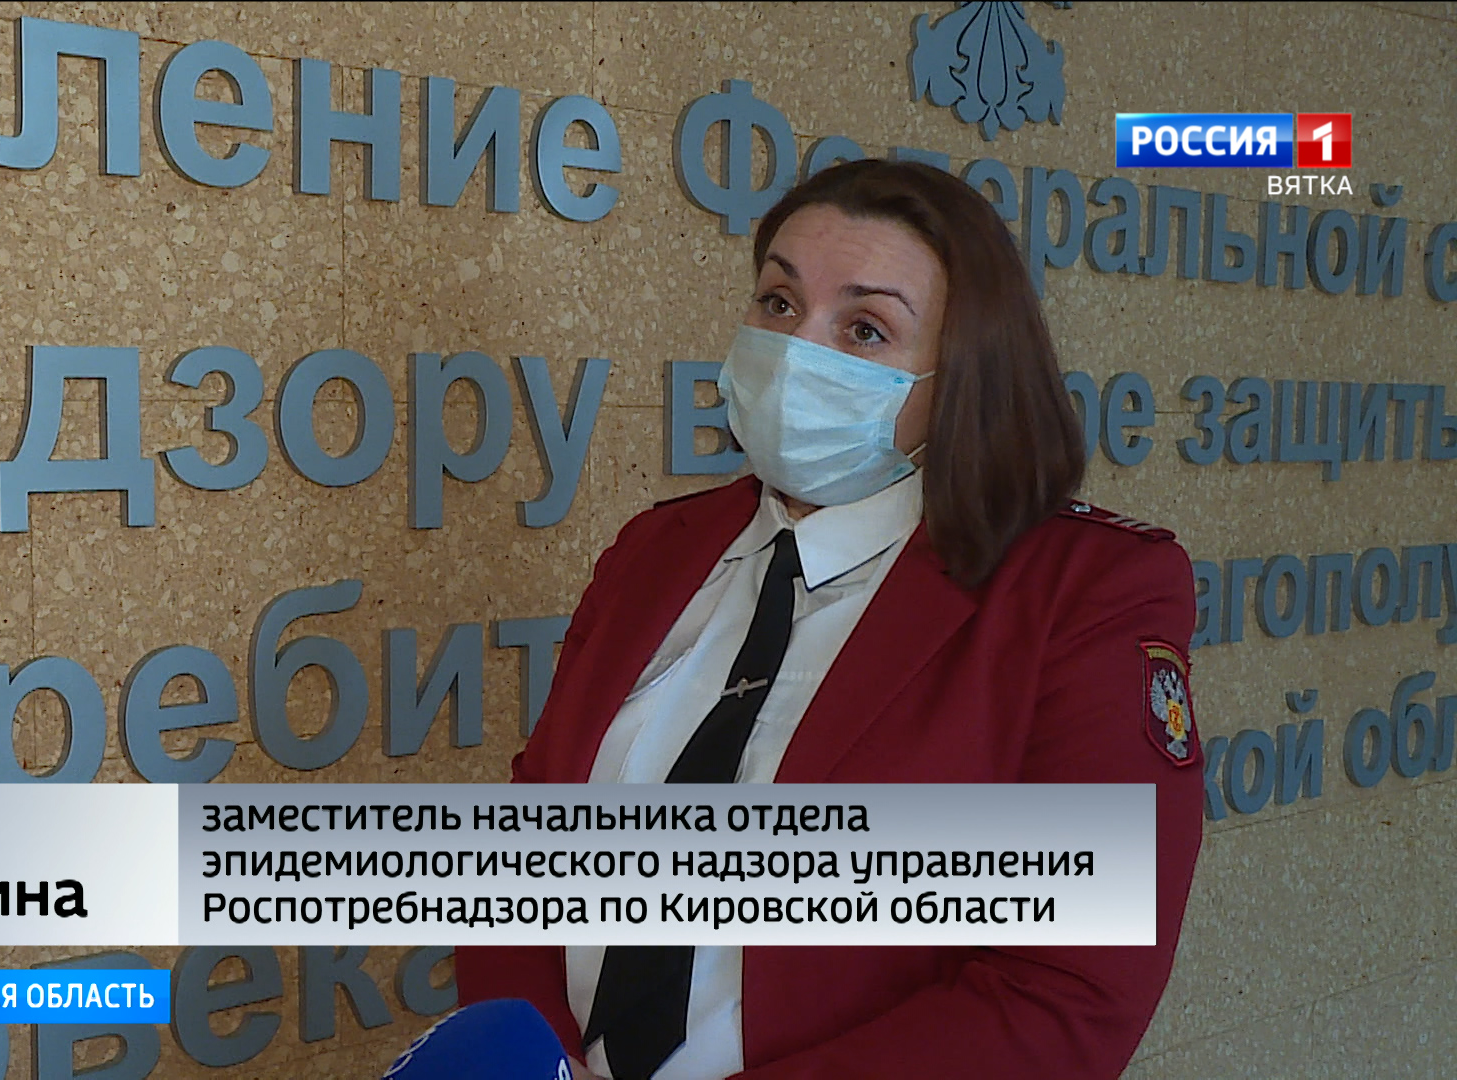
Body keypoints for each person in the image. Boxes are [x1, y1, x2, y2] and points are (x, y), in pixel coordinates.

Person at [454, 159, 1205, 1080]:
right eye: (779, 303)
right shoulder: (654, 553)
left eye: (864, 328)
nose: (796, 351)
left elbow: (1064, 995)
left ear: (960, 376)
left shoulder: (1081, 592)